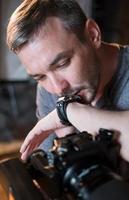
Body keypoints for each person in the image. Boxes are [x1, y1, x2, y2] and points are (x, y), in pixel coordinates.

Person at [6, 0, 129, 164]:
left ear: (92, 35)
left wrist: (68, 112)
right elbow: (49, 176)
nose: (57, 88)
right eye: (40, 77)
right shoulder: (48, 90)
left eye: (62, 64)